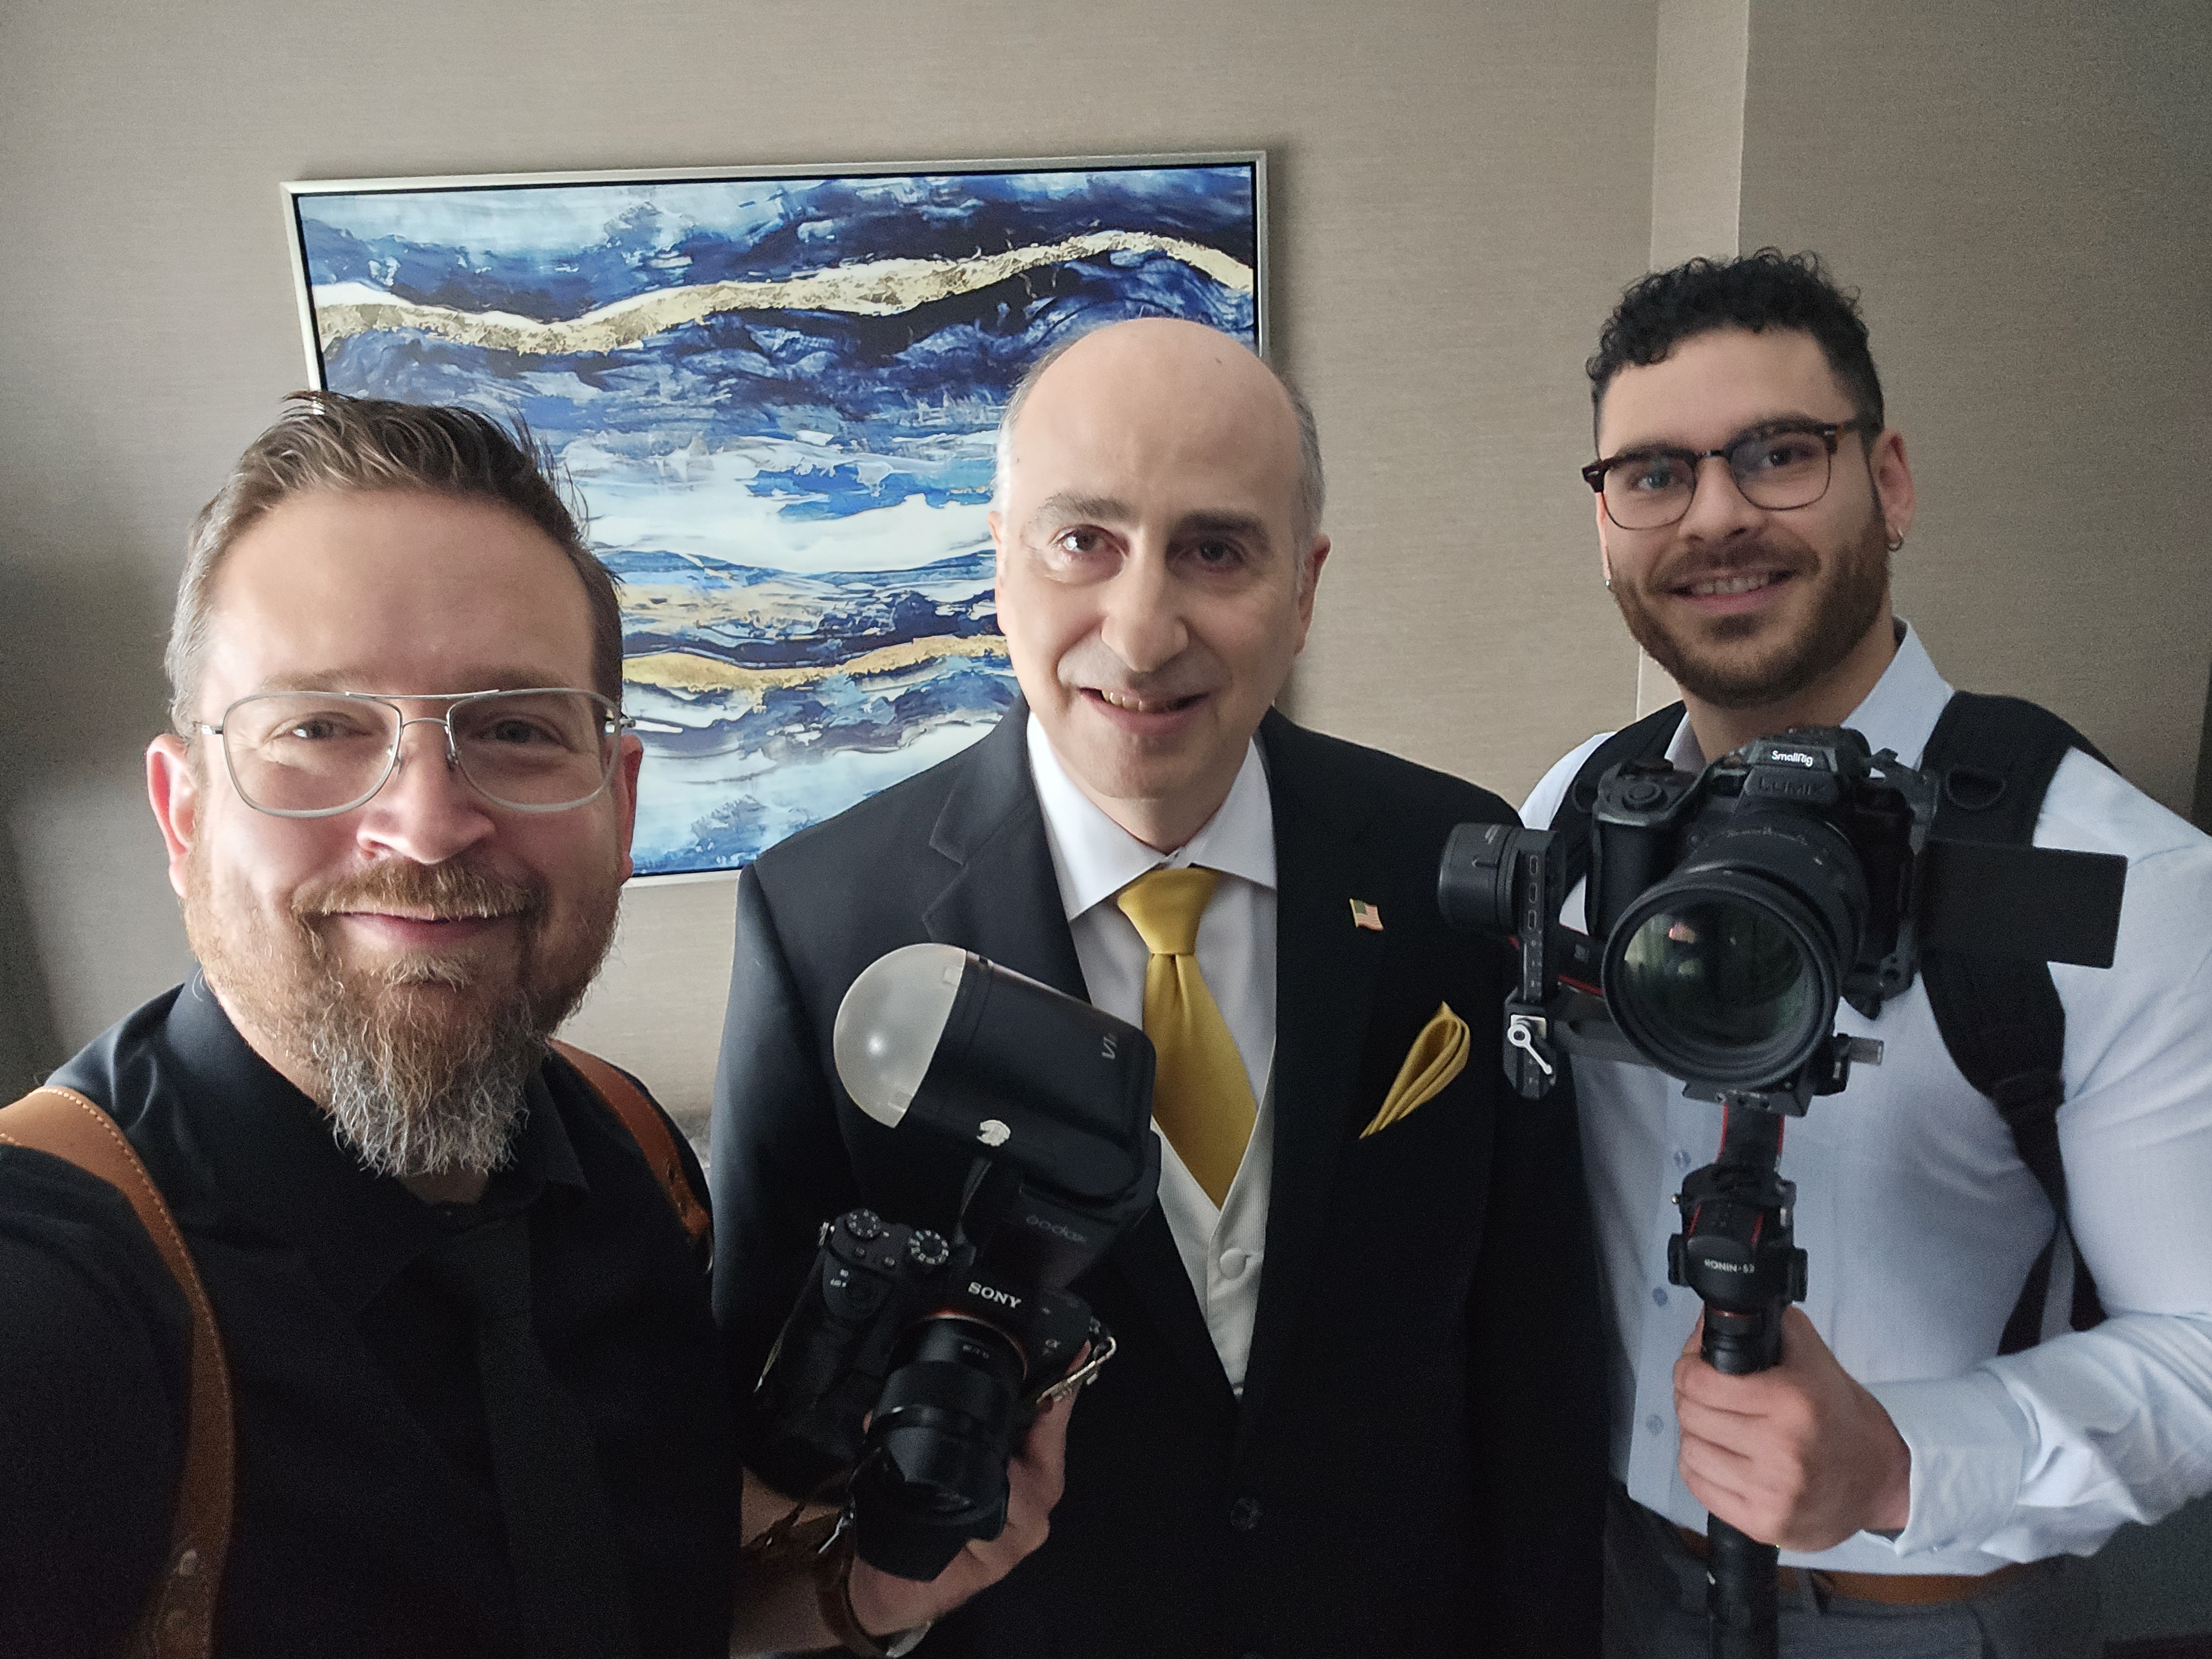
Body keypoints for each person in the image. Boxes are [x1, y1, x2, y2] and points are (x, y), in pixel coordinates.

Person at [0, 393, 1063, 1659]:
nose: (427, 823)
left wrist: (855, 1597)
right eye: (321, 729)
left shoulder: (628, 1154)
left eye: (513, 729)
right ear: (183, 817)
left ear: (616, 804)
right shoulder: (64, 1298)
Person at [711, 316, 1606, 1658]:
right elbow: (765, 1409)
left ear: (1302, 588)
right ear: (998, 567)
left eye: (1213, 549)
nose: (1139, 633)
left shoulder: (1453, 868)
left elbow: (1531, 1349)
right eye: (1083, 542)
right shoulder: (822, 919)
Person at [1522, 251, 2212, 1655]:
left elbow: (2201, 1351)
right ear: (1604, 527)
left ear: (1886, 483)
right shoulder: (1574, 817)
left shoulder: (2106, 878)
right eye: (1651, 474)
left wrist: (1900, 1460)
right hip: (1597, 1584)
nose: (1713, 516)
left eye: (1777, 455)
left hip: (1927, 1609)